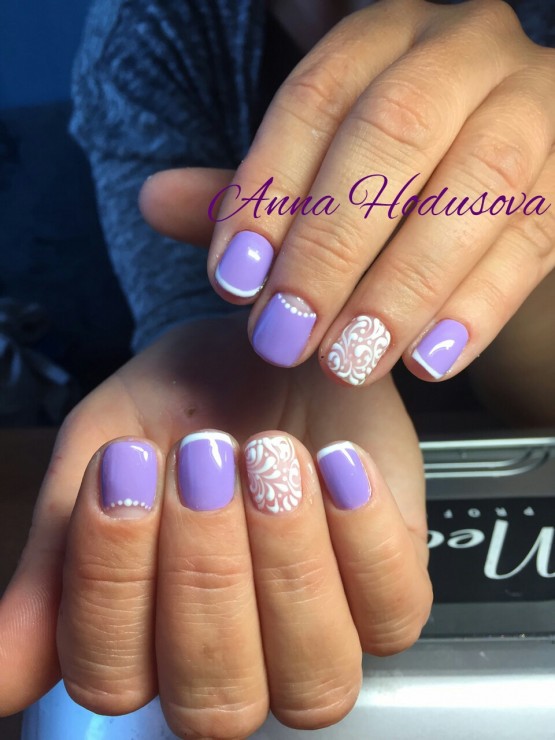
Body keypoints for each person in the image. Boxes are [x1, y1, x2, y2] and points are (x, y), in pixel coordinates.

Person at [0, 1, 553, 738]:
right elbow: (193, 320)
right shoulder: (149, 27)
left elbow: (535, 400)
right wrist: (228, 364)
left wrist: (526, 251)